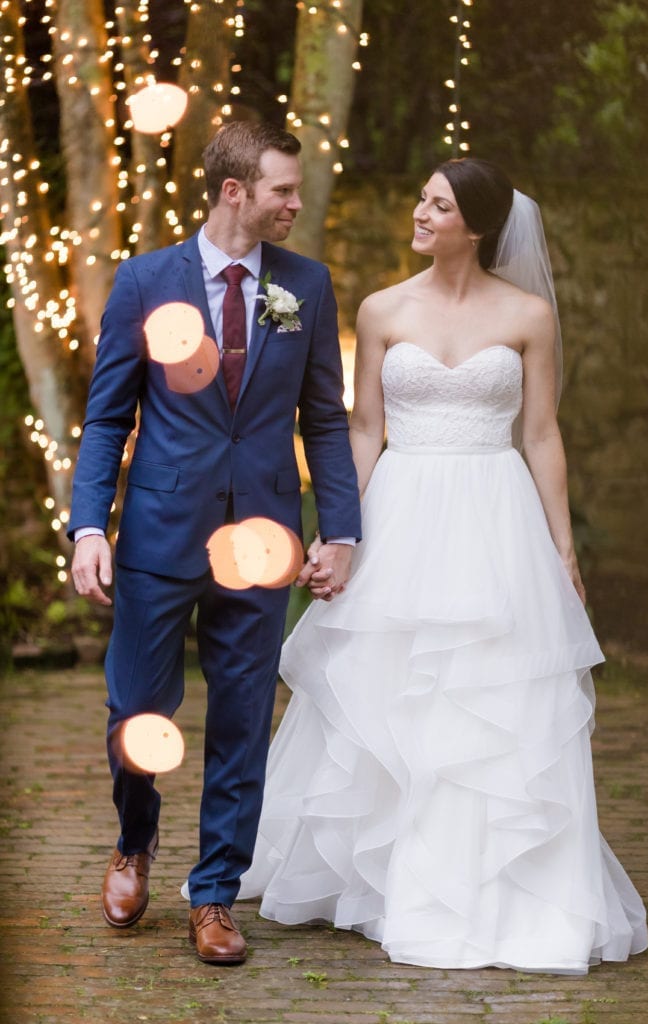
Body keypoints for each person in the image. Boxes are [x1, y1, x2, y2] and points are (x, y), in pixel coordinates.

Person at [237, 157, 648, 973]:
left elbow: (539, 434)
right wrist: (337, 533)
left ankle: (486, 882)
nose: (419, 212)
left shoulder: (528, 315)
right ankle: (379, 877)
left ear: (478, 225)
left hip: (496, 519)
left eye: (438, 204)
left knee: (489, 697)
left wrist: (561, 547)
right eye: (420, 197)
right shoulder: (383, 307)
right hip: (401, 511)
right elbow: (361, 429)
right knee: (388, 687)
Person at [68, 120, 361, 966]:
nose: (294, 204)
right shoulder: (143, 280)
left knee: (241, 719)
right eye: (282, 190)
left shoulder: (306, 284)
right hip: (158, 537)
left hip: (264, 541)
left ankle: (216, 895)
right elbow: (108, 417)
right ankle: (134, 842)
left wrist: (337, 531)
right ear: (235, 191)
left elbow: (325, 419)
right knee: (136, 714)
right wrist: (91, 525)